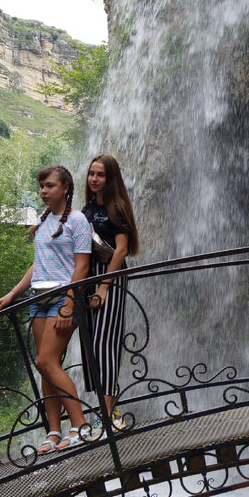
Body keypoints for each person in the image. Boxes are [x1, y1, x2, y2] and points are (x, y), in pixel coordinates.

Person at [0, 165, 92, 453]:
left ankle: (81, 426)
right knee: (47, 368)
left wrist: (70, 303)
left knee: (45, 362)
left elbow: (82, 265)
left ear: (65, 188)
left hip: (64, 299)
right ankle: (53, 432)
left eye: (49, 186)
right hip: (38, 299)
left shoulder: (77, 221)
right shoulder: (45, 220)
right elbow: (38, 265)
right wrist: (13, 293)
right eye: (41, 186)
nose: (43, 191)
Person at [82, 154, 139, 439]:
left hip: (110, 278)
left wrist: (104, 286)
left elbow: (120, 250)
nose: (94, 179)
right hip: (90, 277)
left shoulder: (117, 208)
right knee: (91, 345)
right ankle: (106, 413)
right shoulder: (87, 210)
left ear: (111, 178)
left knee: (105, 342)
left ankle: (107, 416)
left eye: (100, 175)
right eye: (92, 173)